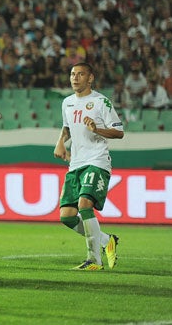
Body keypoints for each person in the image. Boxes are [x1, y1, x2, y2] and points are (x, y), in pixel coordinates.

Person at [53, 62, 124, 271]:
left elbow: (119, 132)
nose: (75, 78)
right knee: (66, 216)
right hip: (75, 163)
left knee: (85, 205)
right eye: (73, 74)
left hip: (97, 161)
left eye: (80, 74)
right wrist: (60, 142)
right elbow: (67, 128)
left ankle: (94, 260)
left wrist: (98, 129)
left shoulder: (101, 102)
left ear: (90, 78)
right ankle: (106, 241)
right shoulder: (67, 102)